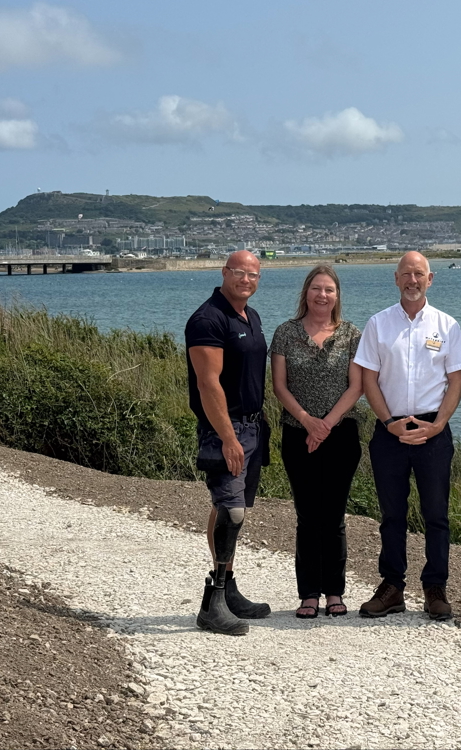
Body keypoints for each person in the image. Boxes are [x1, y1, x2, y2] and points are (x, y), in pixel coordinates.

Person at [354, 251, 461, 621]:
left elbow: (457, 380)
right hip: (389, 431)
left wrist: (438, 424)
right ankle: (392, 587)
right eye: (406, 274)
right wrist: (388, 422)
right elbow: (368, 379)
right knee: (392, 514)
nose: (412, 280)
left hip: (433, 432)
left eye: (418, 274)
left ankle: (435, 587)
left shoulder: (447, 326)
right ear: (395, 278)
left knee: (436, 515)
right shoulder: (378, 324)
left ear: (430, 279)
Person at [270, 265, 364, 619]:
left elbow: (356, 386)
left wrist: (326, 424)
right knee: (308, 516)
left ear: (337, 296)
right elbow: (280, 386)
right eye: (316, 289)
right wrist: (309, 421)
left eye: (329, 290)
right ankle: (308, 593)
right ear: (305, 293)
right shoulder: (285, 333)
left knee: (334, 516)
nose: (322, 295)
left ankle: (335, 592)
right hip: (297, 433)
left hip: (341, 435)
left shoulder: (352, 334)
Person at [185, 250, 271, 635]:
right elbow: (208, 383)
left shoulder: (249, 315)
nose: (246, 280)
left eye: (253, 274)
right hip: (226, 430)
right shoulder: (208, 318)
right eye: (239, 272)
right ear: (224, 273)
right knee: (231, 513)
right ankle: (212, 605)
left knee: (230, 510)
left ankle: (229, 590)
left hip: (252, 427)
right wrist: (227, 437)